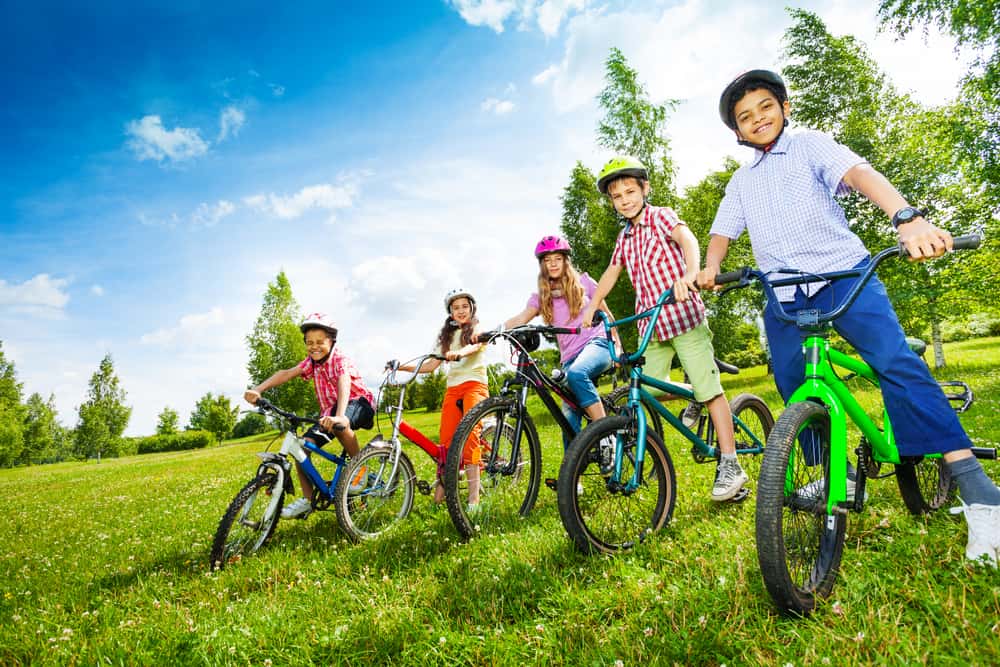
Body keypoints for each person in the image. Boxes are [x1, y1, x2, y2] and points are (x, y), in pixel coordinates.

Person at [698, 68, 1000, 565]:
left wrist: (906, 218)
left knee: (894, 363)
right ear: (737, 131)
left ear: (784, 107)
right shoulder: (741, 181)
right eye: (745, 117)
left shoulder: (811, 145)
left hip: (846, 275)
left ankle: (977, 488)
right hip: (785, 291)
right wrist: (709, 268)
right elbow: (722, 231)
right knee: (794, 381)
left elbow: (860, 175)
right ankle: (826, 470)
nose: (758, 119)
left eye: (765, 108)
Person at [580, 156, 749, 502]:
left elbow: (687, 240)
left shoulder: (661, 216)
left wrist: (690, 272)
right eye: (617, 196)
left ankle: (730, 462)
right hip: (651, 324)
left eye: (630, 191)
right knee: (649, 391)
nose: (625, 199)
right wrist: (594, 304)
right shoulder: (624, 237)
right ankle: (696, 395)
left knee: (710, 389)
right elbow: (612, 272)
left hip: (684, 316)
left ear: (644, 189)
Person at [244, 312, 375, 519]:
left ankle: (361, 468)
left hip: (359, 403)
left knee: (341, 426)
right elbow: (286, 373)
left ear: (331, 341)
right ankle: (308, 500)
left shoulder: (340, 359)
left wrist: (340, 416)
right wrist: (258, 389)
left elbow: (344, 383)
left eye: (320, 342)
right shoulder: (311, 363)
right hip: (329, 413)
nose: (314, 346)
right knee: (301, 448)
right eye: (309, 342)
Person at [496, 235, 621, 448]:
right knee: (569, 416)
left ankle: (605, 436)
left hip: (598, 343)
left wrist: (617, 347)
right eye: (547, 260)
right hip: (570, 358)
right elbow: (521, 317)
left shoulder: (585, 283)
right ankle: (572, 478)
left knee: (576, 374)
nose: (552, 264)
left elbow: (608, 316)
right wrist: (497, 330)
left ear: (565, 261)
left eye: (557, 259)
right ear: (542, 265)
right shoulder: (541, 297)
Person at [394, 289, 488, 508]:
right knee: (446, 442)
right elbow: (429, 366)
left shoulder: (476, 327)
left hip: (474, 384)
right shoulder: (445, 336)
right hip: (453, 389)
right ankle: (443, 489)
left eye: (465, 306)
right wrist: (402, 366)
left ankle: (474, 498)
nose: (461, 311)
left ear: (471, 308)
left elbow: (476, 345)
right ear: (450, 312)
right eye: (456, 308)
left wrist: (461, 353)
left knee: (470, 437)